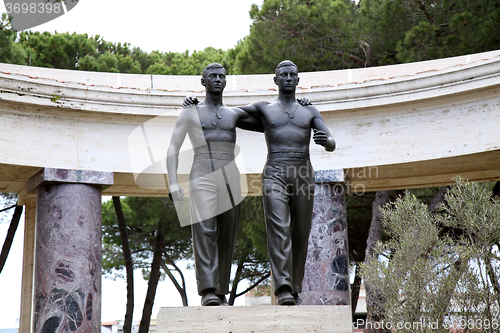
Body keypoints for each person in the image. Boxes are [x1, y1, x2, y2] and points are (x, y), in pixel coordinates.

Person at [185, 60, 335, 305]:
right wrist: (194, 107)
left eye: (292, 75)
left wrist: (326, 141)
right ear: (275, 81)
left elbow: (330, 140)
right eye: (283, 75)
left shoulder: (310, 111)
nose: (288, 78)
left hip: (303, 171)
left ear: (298, 80)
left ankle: (295, 288)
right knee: (279, 228)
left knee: (300, 231)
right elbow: (226, 114)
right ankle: (284, 288)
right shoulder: (264, 109)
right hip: (275, 169)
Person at [167, 63, 263, 306]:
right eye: (213, 76)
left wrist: (296, 105)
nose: (218, 79)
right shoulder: (191, 112)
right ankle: (208, 290)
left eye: (222, 76)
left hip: (230, 172)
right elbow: (173, 147)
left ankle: (220, 291)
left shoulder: (234, 114)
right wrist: (172, 182)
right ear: (203, 82)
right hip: (202, 169)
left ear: (226, 81)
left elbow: (271, 122)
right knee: (205, 230)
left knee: (226, 235)